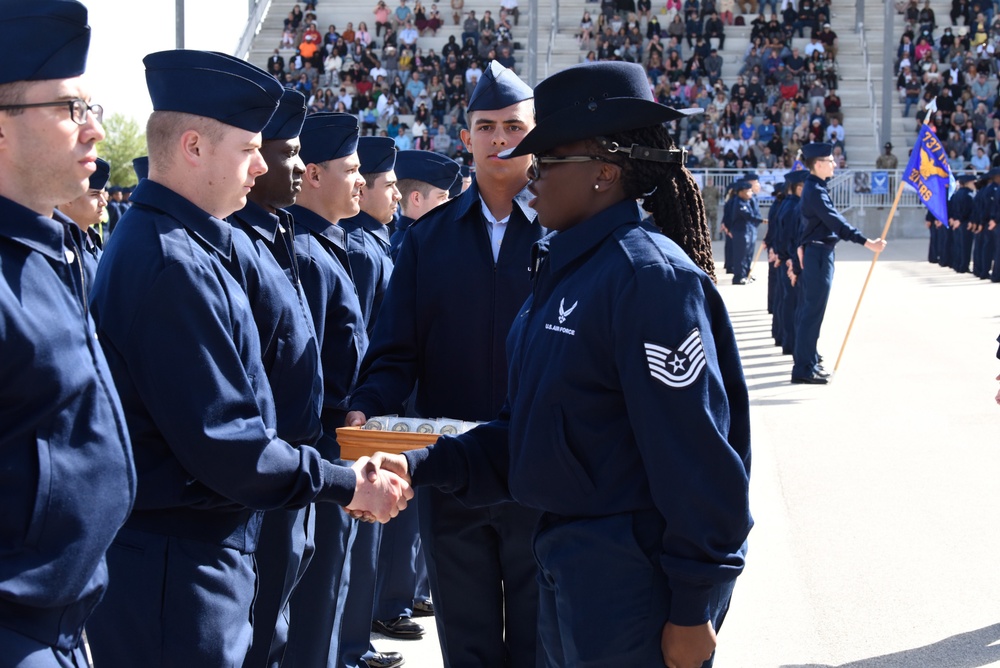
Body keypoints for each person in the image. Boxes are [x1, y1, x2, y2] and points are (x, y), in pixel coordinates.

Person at [361, 60, 752, 668]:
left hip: (628, 581)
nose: (529, 172)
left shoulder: (647, 279)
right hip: (566, 562)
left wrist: (694, 605)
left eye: (547, 158)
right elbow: (524, 432)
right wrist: (417, 464)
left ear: (603, 172)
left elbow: (699, 462)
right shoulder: (570, 271)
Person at [85, 51, 411, 667]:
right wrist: (346, 484)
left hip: (201, 552)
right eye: (248, 149)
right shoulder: (170, 263)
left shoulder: (191, 245)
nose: (263, 166)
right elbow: (228, 442)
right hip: (175, 568)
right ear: (193, 147)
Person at [345, 62, 543, 667]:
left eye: (514, 126)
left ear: (536, 133)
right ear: (466, 139)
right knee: (469, 646)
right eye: (486, 127)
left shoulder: (568, 235)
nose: (500, 140)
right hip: (451, 475)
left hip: (543, 475)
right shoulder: (428, 242)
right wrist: (367, 410)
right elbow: (394, 352)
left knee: (544, 646)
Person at [0, 3, 135, 666]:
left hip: (64, 621)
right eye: (69, 109)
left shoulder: (47, 250)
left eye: (93, 107)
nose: (94, 130)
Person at [282, 113, 404, 668]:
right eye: (351, 170)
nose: (360, 181)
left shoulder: (325, 246)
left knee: (335, 578)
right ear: (312, 175)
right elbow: (307, 371)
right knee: (317, 590)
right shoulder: (308, 253)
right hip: (324, 439)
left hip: (344, 433)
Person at [222, 88, 322, 668]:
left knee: (277, 621)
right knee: (259, 629)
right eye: (289, 155)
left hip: (293, 463)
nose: (296, 169)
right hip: (267, 469)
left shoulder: (275, 235)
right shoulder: (236, 244)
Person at [791, 143, 887, 385]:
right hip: (818, 255)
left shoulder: (816, 187)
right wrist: (867, 242)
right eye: (831, 161)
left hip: (820, 253)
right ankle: (803, 368)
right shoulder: (814, 190)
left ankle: (809, 361)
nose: (835, 164)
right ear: (819, 164)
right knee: (811, 313)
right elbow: (836, 223)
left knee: (813, 312)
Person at [389, 149, 460, 257]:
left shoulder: (423, 239)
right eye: (442, 197)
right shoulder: (404, 249)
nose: (448, 204)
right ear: (417, 198)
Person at [56, 156, 110, 287]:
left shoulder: (92, 240)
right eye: (95, 194)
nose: (103, 202)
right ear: (68, 197)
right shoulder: (57, 247)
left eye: (103, 194)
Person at [949, 174, 976, 274]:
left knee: (958, 245)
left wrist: (955, 219)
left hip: (957, 222)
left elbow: (953, 208)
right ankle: (964, 266)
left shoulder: (957, 194)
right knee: (965, 246)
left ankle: (958, 264)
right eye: (972, 182)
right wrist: (960, 219)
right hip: (964, 222)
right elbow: (967, 209)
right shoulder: (969, 194)